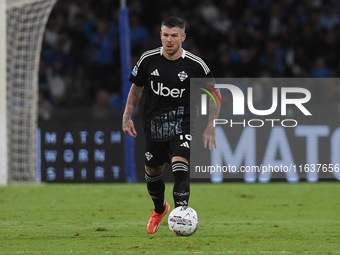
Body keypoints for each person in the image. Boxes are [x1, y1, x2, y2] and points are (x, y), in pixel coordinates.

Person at [122, 16, 220, 234]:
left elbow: (214, 95)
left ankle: (181, 217)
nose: (169, 40)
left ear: (182, 37)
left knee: (179, 167)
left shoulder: (195, 65)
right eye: (165, 35)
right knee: (152, 173)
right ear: (160, 36)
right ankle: (160, 209)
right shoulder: (148, 59)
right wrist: (127, 115)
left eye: (174, 36)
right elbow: (136, 88)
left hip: (183, 124)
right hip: (155, 126)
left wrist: (211, 125)